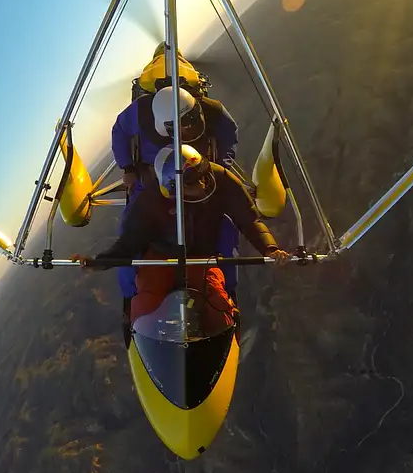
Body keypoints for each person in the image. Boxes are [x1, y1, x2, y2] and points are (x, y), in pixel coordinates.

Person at [73, 144, 290, 338]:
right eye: (193, 182)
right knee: (146, 306)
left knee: (219, 306)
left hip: (202, 258)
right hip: (160, 258)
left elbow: (249, 219)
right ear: (173, 189)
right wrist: (97, 263)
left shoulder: (220, 179)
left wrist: (269, 248)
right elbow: (128, 244)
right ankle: (151, 342)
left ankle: (218, 344)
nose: (203, 183)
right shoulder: (149, 201)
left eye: (202, 174)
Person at [111, 80, 242, 315]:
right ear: (166, 127)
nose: (190, 128)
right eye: (183, 125)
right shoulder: (141, 112)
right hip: (153, 183)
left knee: (225, 226)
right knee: (130, 231)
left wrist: (221, 167)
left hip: (198, 178)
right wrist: (128, 168)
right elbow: (120, 130)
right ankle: (132, 298)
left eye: (193, 119)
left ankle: (226, 290)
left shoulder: (211, 109)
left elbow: (229, 133)